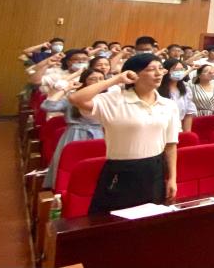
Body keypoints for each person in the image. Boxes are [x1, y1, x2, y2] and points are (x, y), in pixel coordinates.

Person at [69, 53, 180, 214]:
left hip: (155, 169)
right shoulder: (113, 100)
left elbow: (170, 145)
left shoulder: (168, 105)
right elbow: (75, 98)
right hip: (121, 171)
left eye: (160, 68)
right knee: (115, 221)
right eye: (151, 69)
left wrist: (172, 178)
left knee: (151, 219)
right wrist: (115, 80)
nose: (158, 73)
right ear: (133, 74)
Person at [39, 68, 105, 190]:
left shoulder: (108, 98)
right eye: (93, 79)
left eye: (101, 79)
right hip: (75, 134)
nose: (98, 82)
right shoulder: (73, 98)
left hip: (99, 135)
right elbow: (48, 106)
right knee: (69, 166)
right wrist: (67, 88)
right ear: (84, 82)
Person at [159, 58, 196, 132]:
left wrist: (187, 133)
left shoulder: (186, 90)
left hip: (178, 129)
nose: (179, 72)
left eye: (181, 70)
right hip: (160, 129)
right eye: (175, 70)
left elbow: (189, 114)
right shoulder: (157, 89)